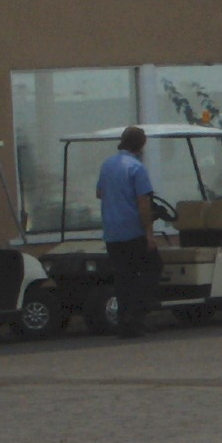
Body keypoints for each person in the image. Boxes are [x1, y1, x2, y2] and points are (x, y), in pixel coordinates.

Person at [96, 125, 160, 338]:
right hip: (133, 231)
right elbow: (144, 203)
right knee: (153, 268)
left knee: (124, 277)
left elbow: (99, 193)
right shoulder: (136, 168)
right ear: (141, 145)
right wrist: (149, 234)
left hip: (112, 232)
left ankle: (125, 322)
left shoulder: (107, 165)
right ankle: (138, 313)